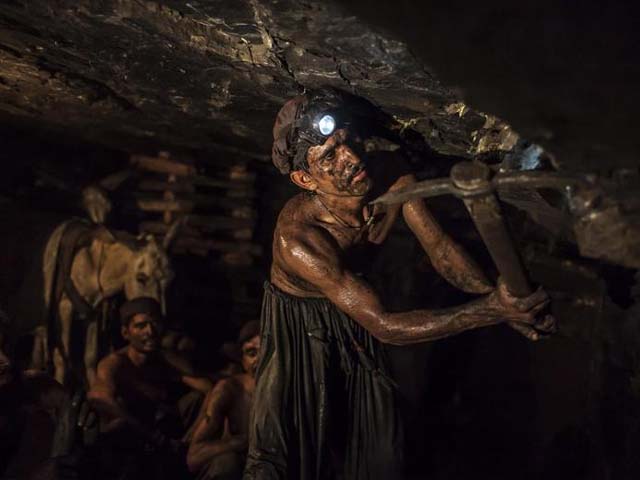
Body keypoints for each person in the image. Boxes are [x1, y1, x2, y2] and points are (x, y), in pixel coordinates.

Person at [243, 88, 555, 480]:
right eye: (329, 157)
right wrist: (493, 310)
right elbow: (386, 325)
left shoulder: (391, 176)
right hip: (299, 329)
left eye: (347, 142)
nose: (352, 158)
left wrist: (504, 304)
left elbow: (439, 248)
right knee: (282, 453)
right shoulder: (300, 240)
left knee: (380, 449)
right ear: (305, 178)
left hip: (357, 310)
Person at [88, 297, 212, 478]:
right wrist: (148, 434)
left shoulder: (163, 360)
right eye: (141, 326)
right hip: (129, 437)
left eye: (155, 324)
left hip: (161, 431)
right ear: (125, 333)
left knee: (196, 399)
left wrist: (193, 436)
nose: (150, 331)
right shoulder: (115, 363)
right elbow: (100, 397)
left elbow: (208, 388)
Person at [187, 320, 261, 480]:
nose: (260, 360)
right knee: (226, 463)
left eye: (268, 351)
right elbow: (194, 457)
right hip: (240, 468)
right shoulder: (229, 390)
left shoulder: (294, 390)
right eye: (252, 353)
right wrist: (243, 441)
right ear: (243, 361)